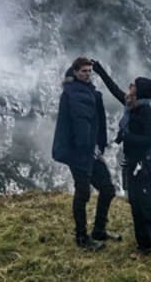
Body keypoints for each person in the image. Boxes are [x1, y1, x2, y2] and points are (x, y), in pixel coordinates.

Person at [91, 59, 151, 263]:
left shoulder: (146, 112)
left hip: (144, 167)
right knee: (136, 205)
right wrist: (100, 70)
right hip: (131, 164)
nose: (129, 86)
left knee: (150, 209)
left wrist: (126, 137)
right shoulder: (131, 104)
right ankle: (144, 246)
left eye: (133, 85)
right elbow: (115, 90)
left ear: (140, 92)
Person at [51, 57, 120, 250]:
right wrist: (89, 150)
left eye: (90, 71)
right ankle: (81, 237)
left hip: (91, 151)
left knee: (107, 189)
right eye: (84, 71)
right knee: (83, 193)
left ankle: (99, 230)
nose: (88, 74)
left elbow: (96, 123)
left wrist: (98, 146)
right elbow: (81, 126)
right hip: (79, 153)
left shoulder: (88, 91)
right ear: (75, 72)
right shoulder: (74, 94)